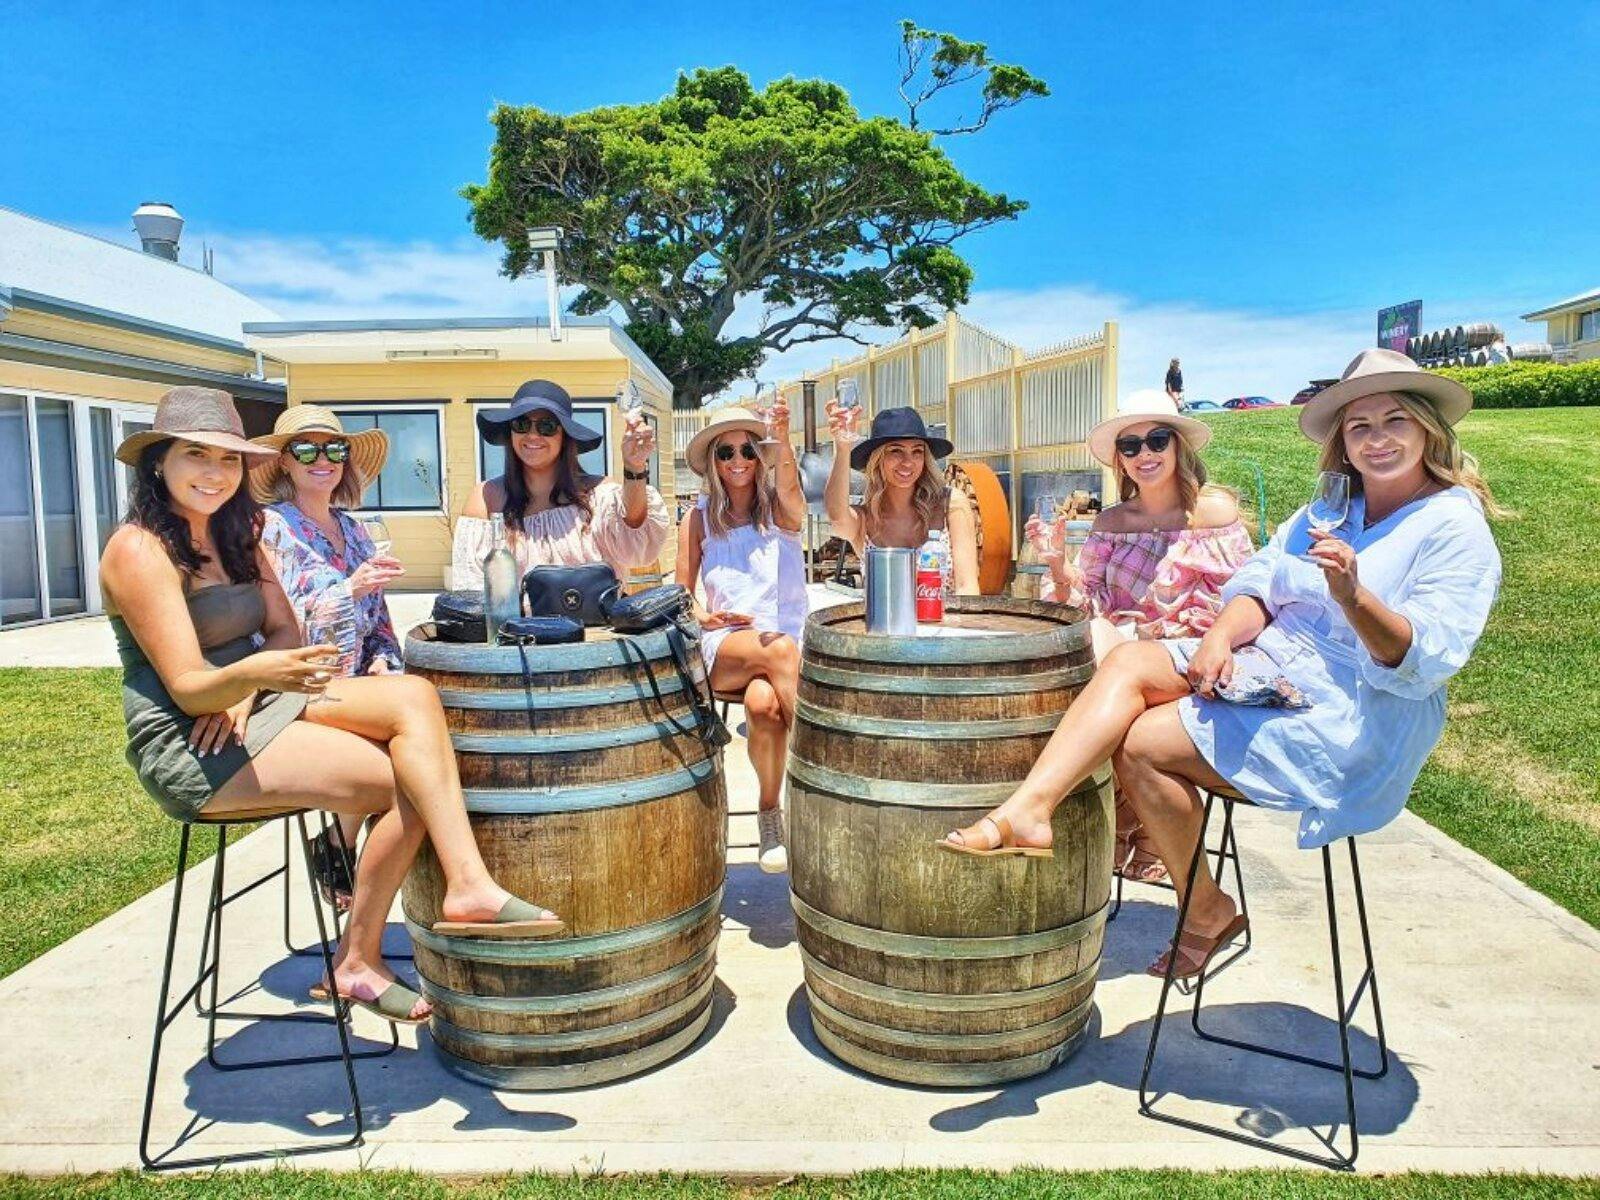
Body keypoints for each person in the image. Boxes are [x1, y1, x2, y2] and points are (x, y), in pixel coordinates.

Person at [942, 349, 1503, 980]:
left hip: (1349, 709)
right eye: (1360, 426)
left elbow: (1426, 658)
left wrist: (1355, 597)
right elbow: (1258, 581)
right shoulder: (1331, 507)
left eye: (1393, 421)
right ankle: (1031, 811)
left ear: (1428, 427)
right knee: (1125, 661)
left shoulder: (1452, 526)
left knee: (1142, 743)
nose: (1376, 440)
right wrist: (1217, 639)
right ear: (1343, 441)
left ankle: (1201, 905)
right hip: (1263, 663)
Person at [100, 387, 563, 1028]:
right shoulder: (140, 548)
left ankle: (466, 884)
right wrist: (244, 680)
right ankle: (357, 960)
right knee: (411, 784)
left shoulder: (236, 535)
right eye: (195, 456)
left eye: (228, 460)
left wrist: (250, 685)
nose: (214, 473)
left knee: (415, 696)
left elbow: (287, 634)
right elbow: (185, 685)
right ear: (159, 463)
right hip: (192, 741)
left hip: (257, 702)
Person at [1027, 389, 1253, 884]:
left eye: (1156, 441)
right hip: (1127, 659)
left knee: (1114, 668)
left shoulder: (1212, 514)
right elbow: (1085, 604)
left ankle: (1125, 822)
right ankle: (1128, 818)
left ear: (1178, 447)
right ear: (1119, 461)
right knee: (1100, 651)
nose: (1144, 455)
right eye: (1130, 447)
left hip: (1198, 660)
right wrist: (1058, 568)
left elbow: (1249, 601)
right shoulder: (1112, 522)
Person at [251, 405, 405, 909]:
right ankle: (362, 885)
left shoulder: (354, 529)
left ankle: (342, 848)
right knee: (406, 759)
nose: (324, 459)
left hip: (359, 682)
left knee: (420, 732)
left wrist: (386, 657)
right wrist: (350, 587)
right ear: (284, 463)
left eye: (334, 449)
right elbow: (288, 626)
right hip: (307, 681)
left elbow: (379, 616)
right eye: (307, 449)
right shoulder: (273, 528)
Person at [677, 404, 807, 873]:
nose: (738, 459)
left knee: (762, 707)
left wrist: (784, 440)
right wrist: (704, 616)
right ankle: (823, 761)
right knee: (777, 650)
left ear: (761, 456)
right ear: (713, 459)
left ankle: (770, 815)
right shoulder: (697, 518)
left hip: (783, 641)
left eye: (749, 449)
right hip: (726, 643)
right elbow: (681, 594)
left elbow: (793, 492)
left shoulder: (779, 510)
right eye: (726, 450)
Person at [451, 379, 669, 590]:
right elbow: (471, 590)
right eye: (521, 424)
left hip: (597, 626)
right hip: (517, 627)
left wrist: (634, 465)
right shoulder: (485, 499)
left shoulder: (598, 494)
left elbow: (636, 547)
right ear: (510, 432)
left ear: (565, 436)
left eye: (547, 426)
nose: (532, 435)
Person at [822, 403, 979, 595]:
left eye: (917, 452)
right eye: (896, 451)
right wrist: (842, 446)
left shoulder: (951, 504)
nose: (908, 462)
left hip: (945, 623)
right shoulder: (865, 519)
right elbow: (837, 518)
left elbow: (968, 587)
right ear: (877, 458)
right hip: (882, 622)